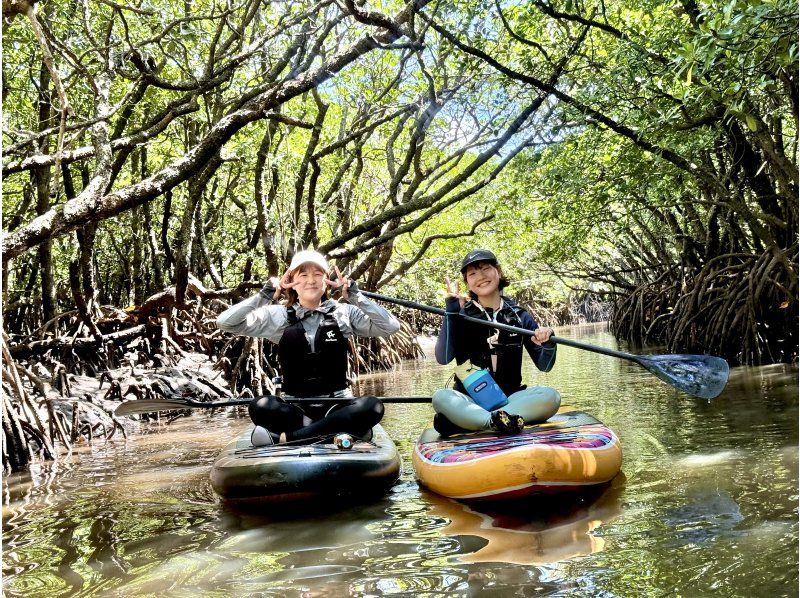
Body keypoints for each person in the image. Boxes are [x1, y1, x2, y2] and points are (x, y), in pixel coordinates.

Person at [216, 250, 401, 445]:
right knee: (260, 406)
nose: (311, 280)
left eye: (318, 274)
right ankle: (333, 431)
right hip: (296, 409)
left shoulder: (345, 313)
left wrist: (355, 296)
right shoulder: (278, 315)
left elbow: (390, 326)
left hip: (337, 404)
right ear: (291, 281)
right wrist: (265, 295)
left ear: (326, 280)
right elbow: (225, 323)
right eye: (303, 275)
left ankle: (291, 438)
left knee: (373, 406)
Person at [433, 249, 561, 436]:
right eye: (473, 274)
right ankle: (493, 421)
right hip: (470, 401)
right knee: (440, 397)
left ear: (498, 272)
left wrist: (549, 343)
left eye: (486, 269)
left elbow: (544, 365)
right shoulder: (460, 315)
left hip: (511, 399)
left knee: (551, 397)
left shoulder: (519, 315)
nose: (481, 277)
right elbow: (443, 358)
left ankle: (475, 422)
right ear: (467, 282)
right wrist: (451, 312)